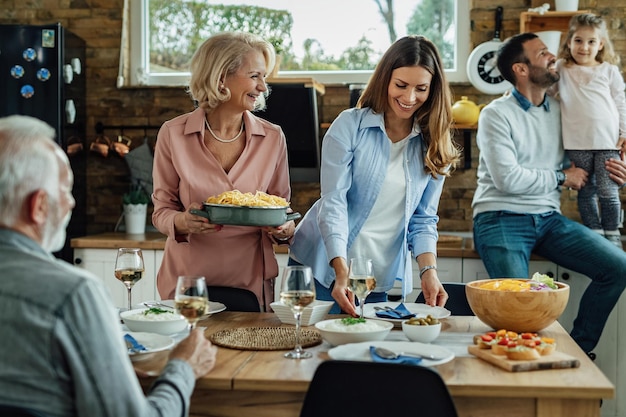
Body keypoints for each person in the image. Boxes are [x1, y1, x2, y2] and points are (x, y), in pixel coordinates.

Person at [0, 115, 217, 416]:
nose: (71, 203)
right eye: (65, 191)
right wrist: (183, 368)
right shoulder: (72, 295)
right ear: (37, 207)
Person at [472, 32, 626, 355]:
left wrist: (614, 172)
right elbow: (508, 179)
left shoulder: (561, 110)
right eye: (542, 53)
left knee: (618, 267)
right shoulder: (495, 115)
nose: (552, 57)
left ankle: (577, 351)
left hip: (548, 219)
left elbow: (589, 151)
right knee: (518, 307)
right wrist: (561, 177)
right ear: (522, 69)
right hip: (500, 217)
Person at [289, 35, 460, 315]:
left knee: (364, 352)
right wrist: (340, 268)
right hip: (323, 265)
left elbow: (424, 218)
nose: (409, 98)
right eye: (401, 85)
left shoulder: (434, 143)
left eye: (421, 88)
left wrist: (428, 271)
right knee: (313, 351)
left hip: (374, 274)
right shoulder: (349, 126)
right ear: (385, 80)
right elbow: (333, 203)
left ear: (433, 89)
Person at [152, 32, 295, 310]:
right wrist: (183, 221)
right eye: (255, 76)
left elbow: (283, 210)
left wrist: (284, 229)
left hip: (250, 284)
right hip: (187, 284)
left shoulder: (273, 137)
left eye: (264, 77)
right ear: (220, 78)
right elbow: (161, 211)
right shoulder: (173, 134)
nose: (263, 87)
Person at [553, 13, 626, 248]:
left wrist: (624, 132)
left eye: (591, 41)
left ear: (601, 44)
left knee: (608, 191)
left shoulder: (609, 70)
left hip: (608, 142)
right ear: (569, 41)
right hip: (577, 143)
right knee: (586, 191)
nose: (584, 47)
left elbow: (621, 102)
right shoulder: (562, 68)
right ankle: (594, 232)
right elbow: (546, 88)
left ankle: (612, 232)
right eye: (578, 41)